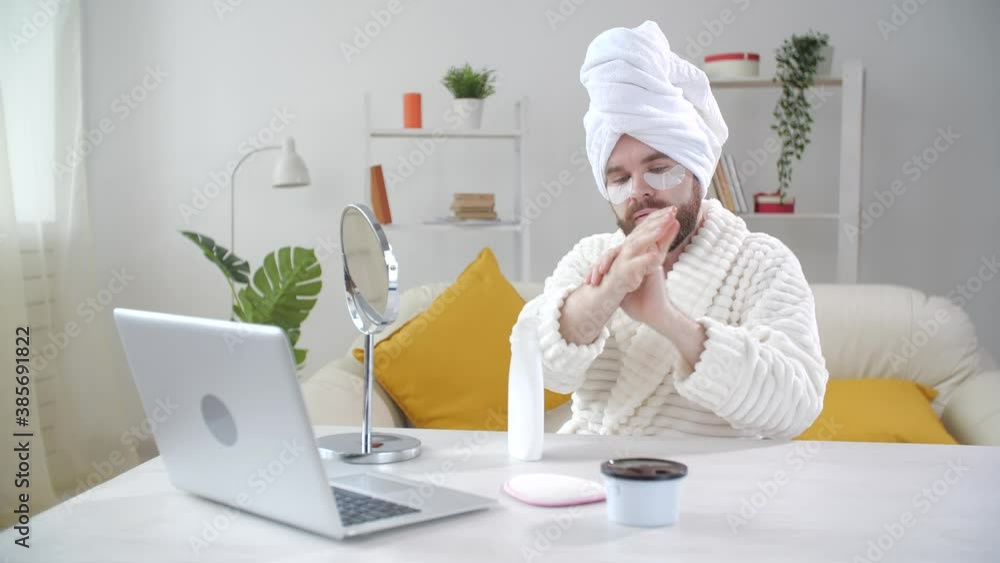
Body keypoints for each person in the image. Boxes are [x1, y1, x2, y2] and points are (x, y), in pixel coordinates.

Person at [516, 21, 828, 438]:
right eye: (620, 179)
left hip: (710, 490)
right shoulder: (592, 257)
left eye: (660, 170)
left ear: (697, 173)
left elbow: (795, 407)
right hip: (593, 479)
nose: (640, 192)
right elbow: (536, 367)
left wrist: (668, 320)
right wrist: (605, 293)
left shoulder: (762, 264)